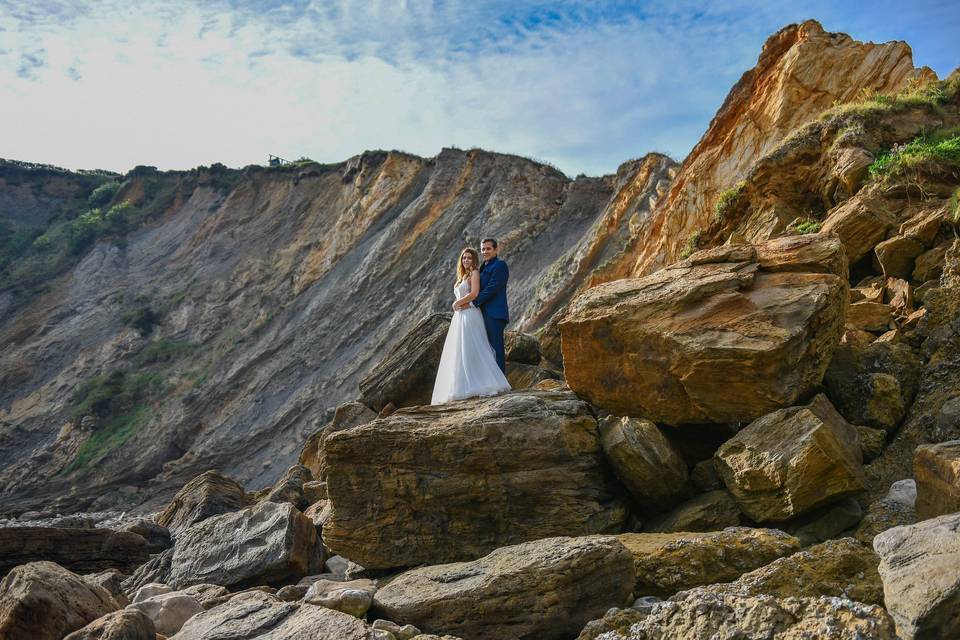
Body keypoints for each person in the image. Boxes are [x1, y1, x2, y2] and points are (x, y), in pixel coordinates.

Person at [431, 247, 511, 404]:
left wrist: (457, 303)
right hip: (460, 316)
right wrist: (459, 305)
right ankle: (462, 386)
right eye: (464, 258)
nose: (466, 260)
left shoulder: (475, 273)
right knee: (461, 351)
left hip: (470, 315)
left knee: (473, 348)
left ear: (474, 260)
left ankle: (483, 383)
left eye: (469, 258)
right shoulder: (463, 276)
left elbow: (474, 293)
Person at [467, 238, 509, 372]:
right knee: (486, 349)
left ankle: (502, 383)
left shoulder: (500, 265)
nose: (485, 251)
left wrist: (474, 302)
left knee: (496, 348)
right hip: (483, 313)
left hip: (494, 314)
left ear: (496, 249)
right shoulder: (484, 266)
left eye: (488, 248)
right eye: (483, 249)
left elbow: (492, 288)